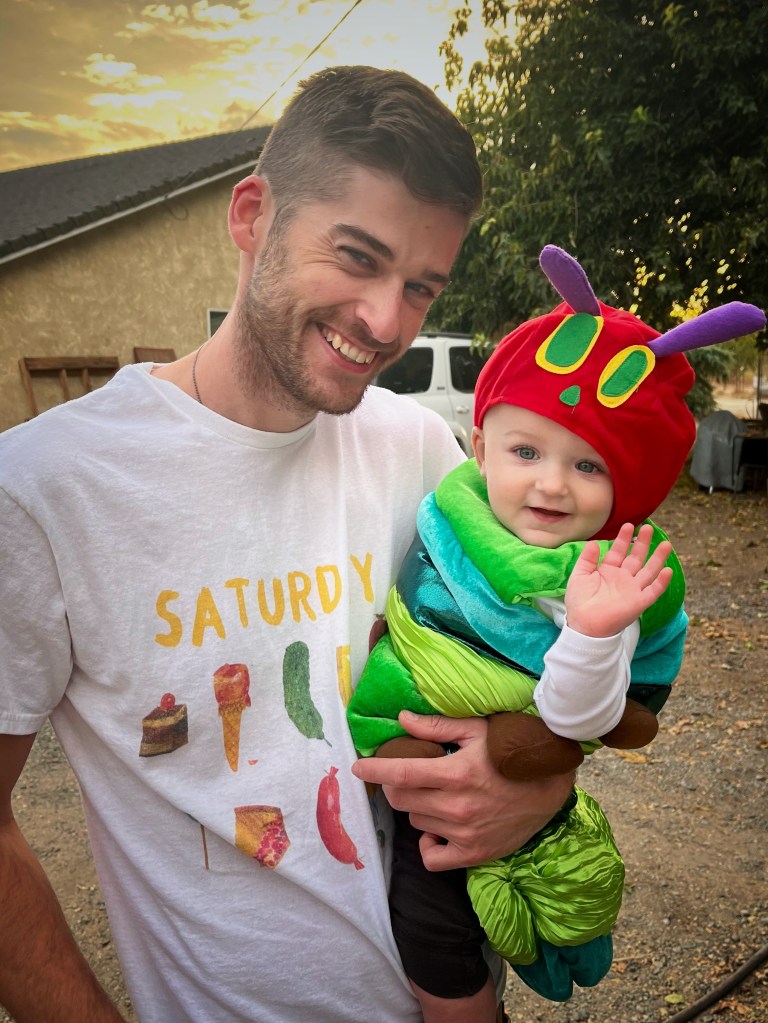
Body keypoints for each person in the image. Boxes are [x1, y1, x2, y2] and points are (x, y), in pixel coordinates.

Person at [0, 67, 577, 1023]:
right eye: (356, 256)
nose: (385, 321)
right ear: (252, 215)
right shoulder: (45, 488)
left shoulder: (422, 451)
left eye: (420, 287)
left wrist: (544, 780)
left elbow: (532, 668)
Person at [348, 245, 767, 1022]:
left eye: (588, 466)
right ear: (480, 449)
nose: (550, 483)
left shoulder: (599, 576)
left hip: (501, 765)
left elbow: (579, 720)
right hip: (417, 742)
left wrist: (592, 635)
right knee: (431, 919)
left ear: (626, 491)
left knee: (442, 927)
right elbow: (417, 613)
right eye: (526, 451)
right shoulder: (454, 511)